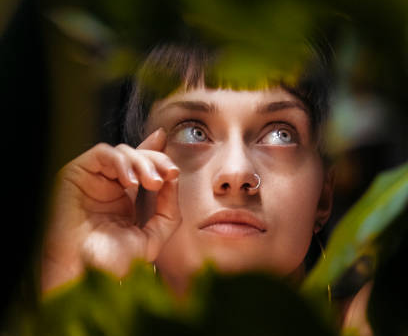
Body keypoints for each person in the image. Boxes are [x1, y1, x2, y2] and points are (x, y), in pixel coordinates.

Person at [41, 40, 335, 296]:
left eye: (280, 135)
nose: (236, 173)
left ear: (324, 194)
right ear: (134, 177)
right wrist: (67, 273)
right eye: (193, 131)